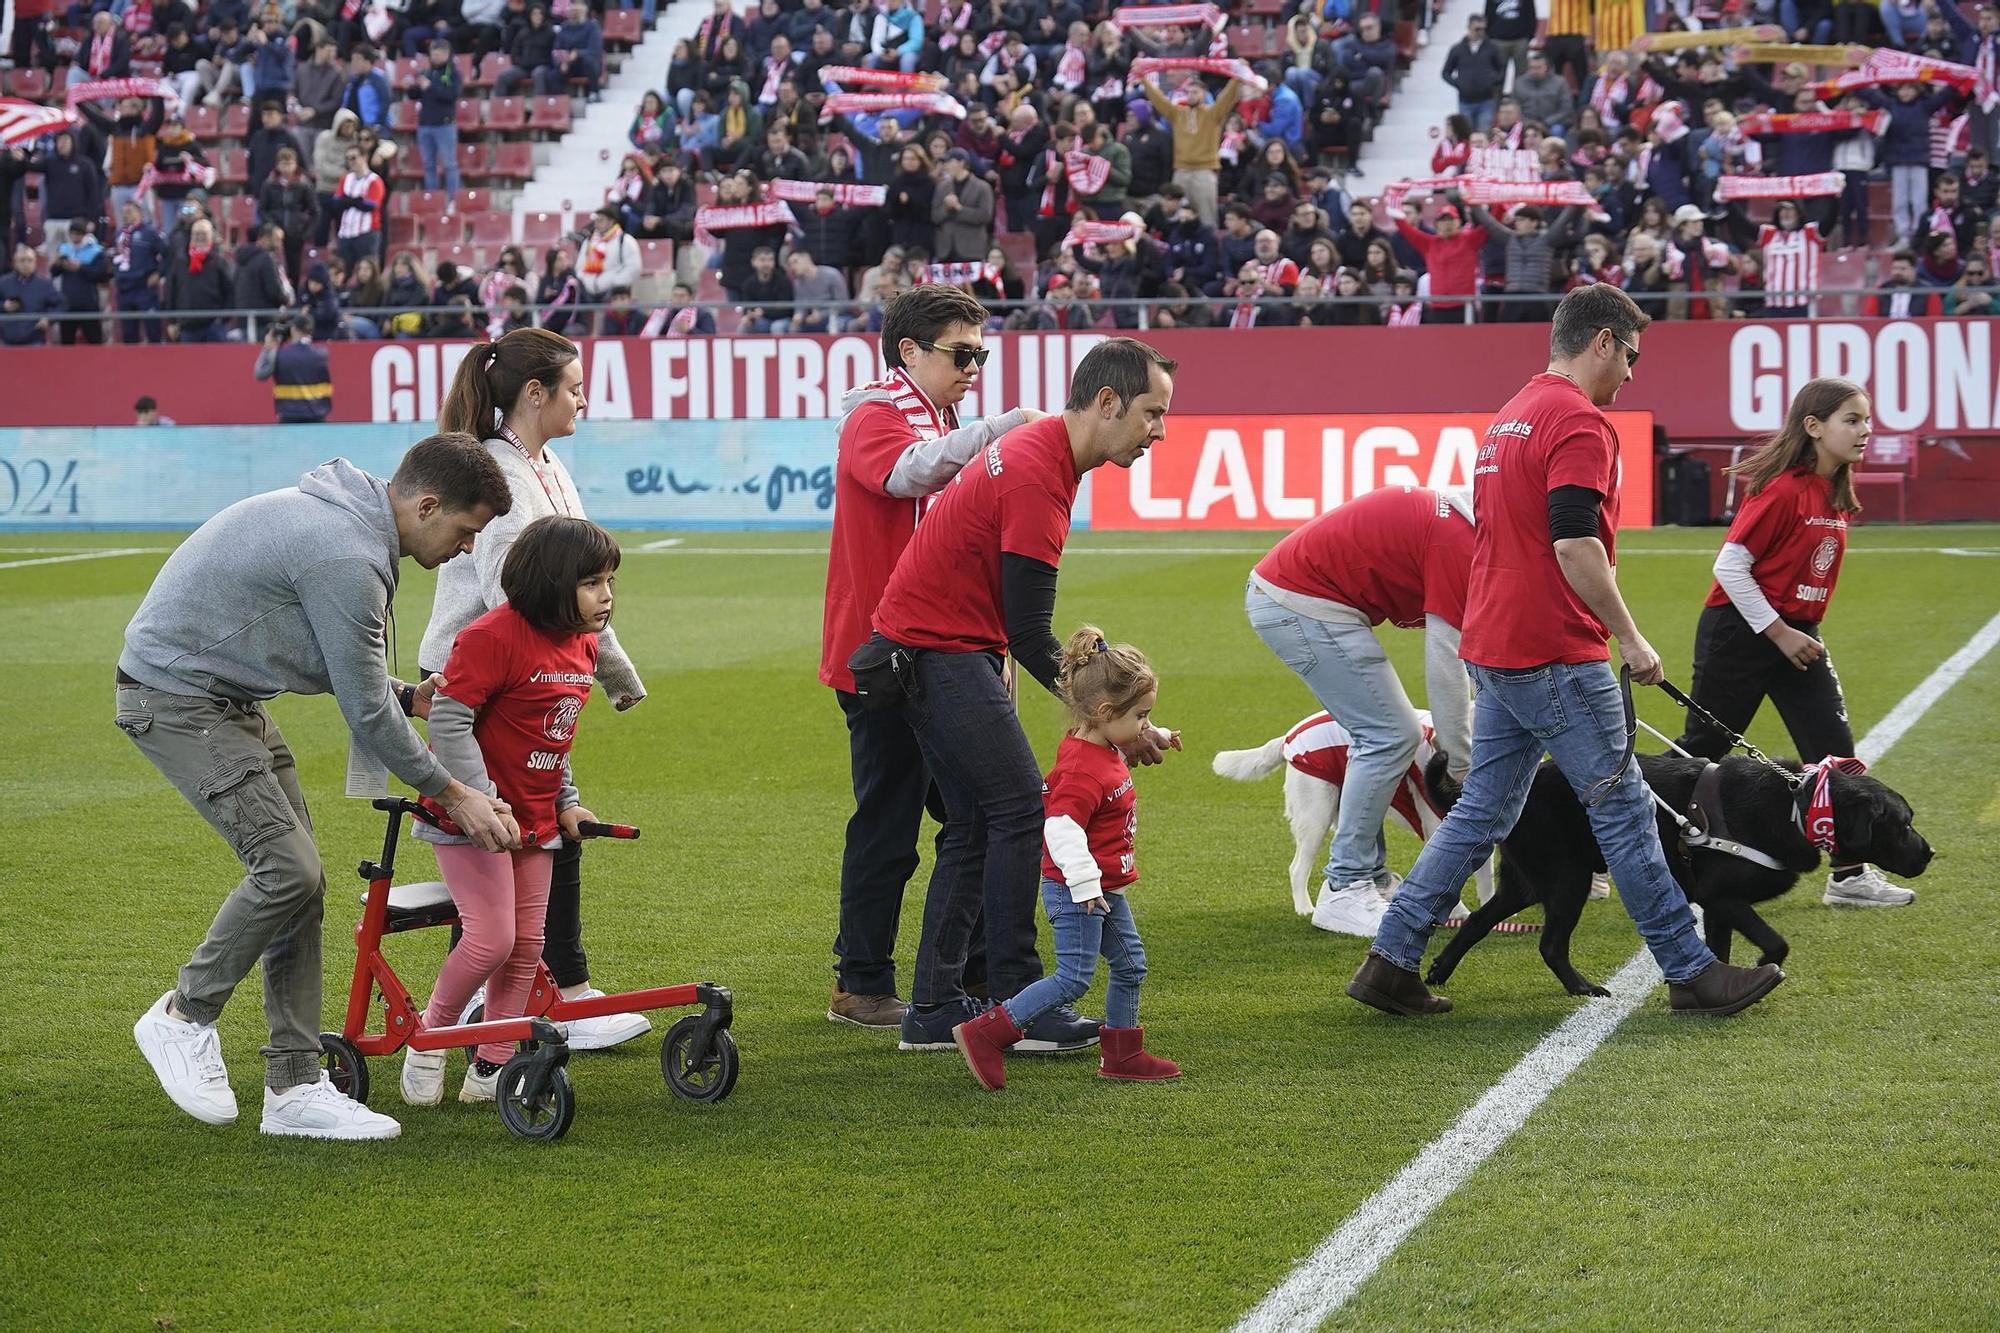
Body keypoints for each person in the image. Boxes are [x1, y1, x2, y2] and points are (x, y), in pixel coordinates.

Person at [1346, 284, 1787, 1019]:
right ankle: (1692, 970)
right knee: (1624, 816)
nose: (1633, 376)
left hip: (1492, 642)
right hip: (1553, 649)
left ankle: (1391, 957)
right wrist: (1632, 635)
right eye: (1632, 356)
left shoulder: (1512, 415)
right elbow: (1574, 541)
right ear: (1603, 340)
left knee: (1480, 812)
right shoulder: (1581, 422)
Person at [124, 436, 518, 1140]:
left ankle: (295, 1086)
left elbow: (359, 678)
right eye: (465, 531)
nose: (466, 550)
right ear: (426, 505)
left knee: (301, 884)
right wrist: (456, 793)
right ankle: (184, 1016)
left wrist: (408, 696)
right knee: (288, 869)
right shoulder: (347, 554)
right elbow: (362, 709)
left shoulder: (352, 524)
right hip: (176, 697)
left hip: (228, 699)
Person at [868, 338, 1178, 1051]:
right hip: (936, 646)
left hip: (933, 643)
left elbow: (1017, 626)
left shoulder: (1044, 450)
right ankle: (1019, 1001)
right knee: (1018, 809)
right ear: (1107, 402)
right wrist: (1117, 721)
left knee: (979, 824)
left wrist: (1116, 716)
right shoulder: (1042, 469)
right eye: (1151, 413)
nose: (1159, 431)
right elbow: (1030, 629)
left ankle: (935, 1008)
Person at [422, 327, 655, 1052]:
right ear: (534, 393)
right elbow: (520, 592)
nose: (584, 396)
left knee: (547, 818)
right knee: (524, 821)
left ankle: (532, 996)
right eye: (573, 386)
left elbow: (575, 585)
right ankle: (557, 992)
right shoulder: (504, 476)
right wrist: (596, 666)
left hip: (528, 670)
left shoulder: (546, 465)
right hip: (487, 676)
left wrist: (609, 669)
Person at [818, 286, 1035, 1029]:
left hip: (934, 650)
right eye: (961, 353)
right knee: (901, 819)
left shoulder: (928, 413)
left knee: (972, 813)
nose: (974, 366)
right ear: (908, 351)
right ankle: (866, 982)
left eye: (981, 353)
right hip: (884, 658)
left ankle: (955, 977)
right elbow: (905, 473)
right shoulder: (876, 413)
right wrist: (998, 432)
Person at [401, 516, 621, 1106]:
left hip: (536, 822)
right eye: (591, 582)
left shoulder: (583, 644)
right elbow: (448, 718)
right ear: (552, 582)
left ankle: (493, 1063)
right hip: (470, 822)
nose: (606, 595)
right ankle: (430, 1036)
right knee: (490, 940)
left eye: (609, 581)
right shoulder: (492, 636)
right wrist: (477, 800)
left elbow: (553, 737)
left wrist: (568, 804)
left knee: (526, 946)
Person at [1677, 379, 1912, 908]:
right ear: (1813, 426)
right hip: (1742, 632)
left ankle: (1849, 875)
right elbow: (1730, 567)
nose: (1865, 431)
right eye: (1851, 420)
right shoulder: (1783, 489)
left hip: (1796, 635)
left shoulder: (1836, 494)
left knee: (1834, 752)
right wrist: (1779, 632)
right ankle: (1610, 852)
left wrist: (1796, 631)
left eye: (1867, 420)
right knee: (1701, 754)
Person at [950, 627, 1182, 1090]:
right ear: (1103, 712)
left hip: (1101, 886)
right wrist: (1085, 886)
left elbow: (1125, 731)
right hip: (1081, 889)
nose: (1143, 725)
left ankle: (1123, 1054)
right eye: (1141, 715)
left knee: (1131, 964)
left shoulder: (1104, 741)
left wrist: (1154, 731)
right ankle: (987, 1034)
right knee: (1073, 978)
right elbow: (1059, 828)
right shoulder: (1081, 769)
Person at [1246, 485, 1475, 936]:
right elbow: (1448, 662)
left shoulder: (1464, 519)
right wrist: (1462, 765)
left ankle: (1370, 878)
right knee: (1389, 735)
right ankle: (1346, 887)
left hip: (1302, 598)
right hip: (1298, 603)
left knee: (1392, 733)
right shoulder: (1460, 543)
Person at [253, 314, 332, 422]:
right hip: (317, 416)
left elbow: (260, 374)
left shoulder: (278, 354)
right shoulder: (322, 354)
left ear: (293, 329)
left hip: (289, 416)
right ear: (311, 331)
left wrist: (268, 348)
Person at [411, 37, 464, 196]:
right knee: (428, 164)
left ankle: (452, 199)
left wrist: (430, 87)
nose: (435, 57)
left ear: (447, 54)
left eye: (439, 53)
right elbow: (415, 95)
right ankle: (432, 198)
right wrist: (412, 87)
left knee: (449, 164)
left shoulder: (454, 74)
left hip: (444, 124)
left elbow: (451, 95)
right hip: (425, 124)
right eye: (433, 53)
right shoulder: (426, 72)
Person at [332, 144, 387, 271]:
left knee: (368, 270)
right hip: (346, 233)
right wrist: (357, 201)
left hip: (367, 233)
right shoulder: (346, 179)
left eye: (354, 158)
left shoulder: (374, 180)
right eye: (348, 158)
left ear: (364, 157)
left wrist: (348, 200)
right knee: (343, 270)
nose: (350, 162)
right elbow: (336, 203)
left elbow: (370, 205)